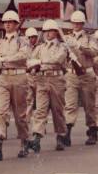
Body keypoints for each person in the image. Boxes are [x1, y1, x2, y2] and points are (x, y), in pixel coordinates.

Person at [0, 9, 31, 161]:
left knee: (20, 114)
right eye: (5, 22)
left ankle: (24, 142)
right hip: (4, 78)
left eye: (10, 22)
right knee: (0, 112)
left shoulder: (23, 41)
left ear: (17, 25)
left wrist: (4, 59)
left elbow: (23, 56)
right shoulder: (0, 42)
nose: (7, 25)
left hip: (19, 77)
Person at [26, 19, 69, 153]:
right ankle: (36, 138)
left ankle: (61, 136)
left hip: (56, 79)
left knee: (58, 110)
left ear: (56, 32)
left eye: (50, 31)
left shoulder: (62, 47)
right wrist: (34, 66)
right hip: (42, 79)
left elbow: (58, 59)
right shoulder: (40, 48)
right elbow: (30, 61)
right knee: (40, 110)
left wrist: (41, 62)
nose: (47, 34)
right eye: (45, 31)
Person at [63, 10, 98, 145]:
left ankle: (92, 131)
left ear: (83, 24)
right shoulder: (66, 38)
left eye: (78, 23)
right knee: (70, 104)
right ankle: (67, 132)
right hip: (71, 75)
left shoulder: (90, 38)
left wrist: (79, 46)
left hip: (86, 75)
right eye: (74, 23)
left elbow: (94, 52)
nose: (76, 25)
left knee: (89, 105)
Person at [24, 26, 40, 123]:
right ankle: (26, 120)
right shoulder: (24, 50)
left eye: (34, 37)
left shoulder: (40, 48)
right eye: (30, 37)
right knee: (28, 99)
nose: (32, 39)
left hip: (39, 76)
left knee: (40, 100)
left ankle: (40, 121)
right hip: (28, 75)